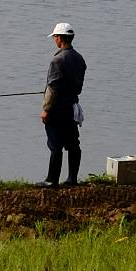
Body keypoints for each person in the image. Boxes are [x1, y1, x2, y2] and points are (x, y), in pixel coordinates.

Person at [40, 22, 87, 187]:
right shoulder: (79, 59)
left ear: (59, 38)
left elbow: (52, 88)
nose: (54, 39)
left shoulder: (57, 60)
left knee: (55, 145)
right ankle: (72, 179)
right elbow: (79, 87)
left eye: (54, 37)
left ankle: (52, 180)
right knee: (73, 143)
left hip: (57, 108)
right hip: (72, 106)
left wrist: (46, 109)